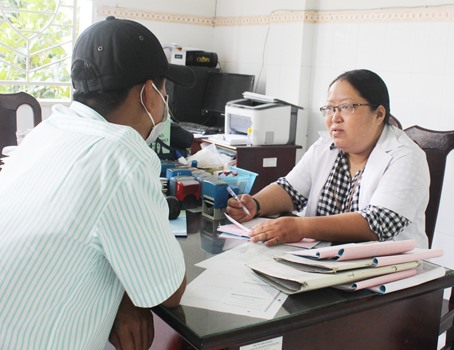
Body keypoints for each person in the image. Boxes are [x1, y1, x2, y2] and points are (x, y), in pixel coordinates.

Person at [0, 17, 195, 349]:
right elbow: (169, 290)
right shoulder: (122, 156)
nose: (165, 102)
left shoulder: (47, 131)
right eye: (164, 90)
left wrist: (121, 297)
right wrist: (130, 293)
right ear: (149, 94)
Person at [226, 69, 430, 249]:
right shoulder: (326, 147)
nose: (335, 117)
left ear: (378, 114)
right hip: (325, 262)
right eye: (330, 109)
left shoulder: (405, 156)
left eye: (346, 107)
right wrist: (256, 203)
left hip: (389, 274)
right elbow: (289, 189)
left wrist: (301, 227)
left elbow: (377, 223)